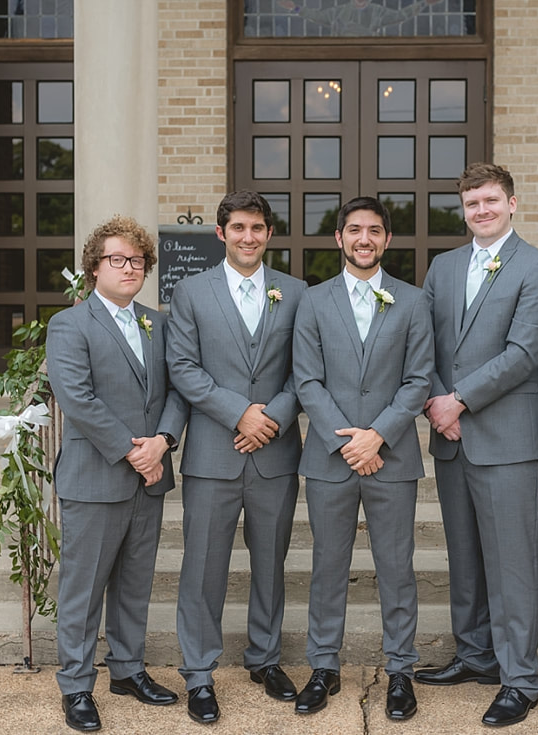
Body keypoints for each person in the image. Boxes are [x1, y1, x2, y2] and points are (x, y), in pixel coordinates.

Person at [416, 163, 538, 727]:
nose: (482, 210)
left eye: (491, 201)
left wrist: (460, 400)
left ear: (512, 204)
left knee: (513, 561)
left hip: (505, 437)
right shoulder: (444, 266)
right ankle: (475, 656)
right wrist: (434, 401)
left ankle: (519, 677)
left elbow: (525, 352)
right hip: (450, 435)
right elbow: (420, 341)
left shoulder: (537, 266)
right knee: (466, 556)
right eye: (472, 203)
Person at [166, 190, 307, 725]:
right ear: (221, 233)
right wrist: (238, 414)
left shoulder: (295, 293)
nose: (248, 237)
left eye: (258, 228)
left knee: (270, 562)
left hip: (275, 451)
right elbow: (182, 366)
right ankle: (199, 673)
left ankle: (265, 658)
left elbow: (306, 369)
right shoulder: (190, 293)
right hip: (212, 452)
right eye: (238, 227)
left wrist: (269, 417)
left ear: (269, 234)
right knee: (203, 565)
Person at [291, 196, 433, 720]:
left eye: (374, 230)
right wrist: (349, 442)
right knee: (328, 565)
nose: (364, 239)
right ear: (340, 238)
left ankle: (401, 671)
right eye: (355, 230)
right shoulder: (312, 300)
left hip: (392, 458)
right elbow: (306, 378)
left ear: (387, 239)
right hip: (330, 458)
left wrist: (378, 436)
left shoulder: (413, 302)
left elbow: (419, 379)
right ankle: (324, 667)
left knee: (397, 567)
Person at [46, 215, 189, 733]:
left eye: (138, 260)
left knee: (134, 583)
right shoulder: (70, 325)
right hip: (96, 475)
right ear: (94, 266)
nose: (130, 268)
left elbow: (179, 390)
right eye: (118, 259)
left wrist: (164, 442)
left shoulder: (159, 322)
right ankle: (77, 685)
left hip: (150, 476)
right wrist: (133, 451)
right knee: (83, 589)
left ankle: (127, 670)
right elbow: (77, 399)